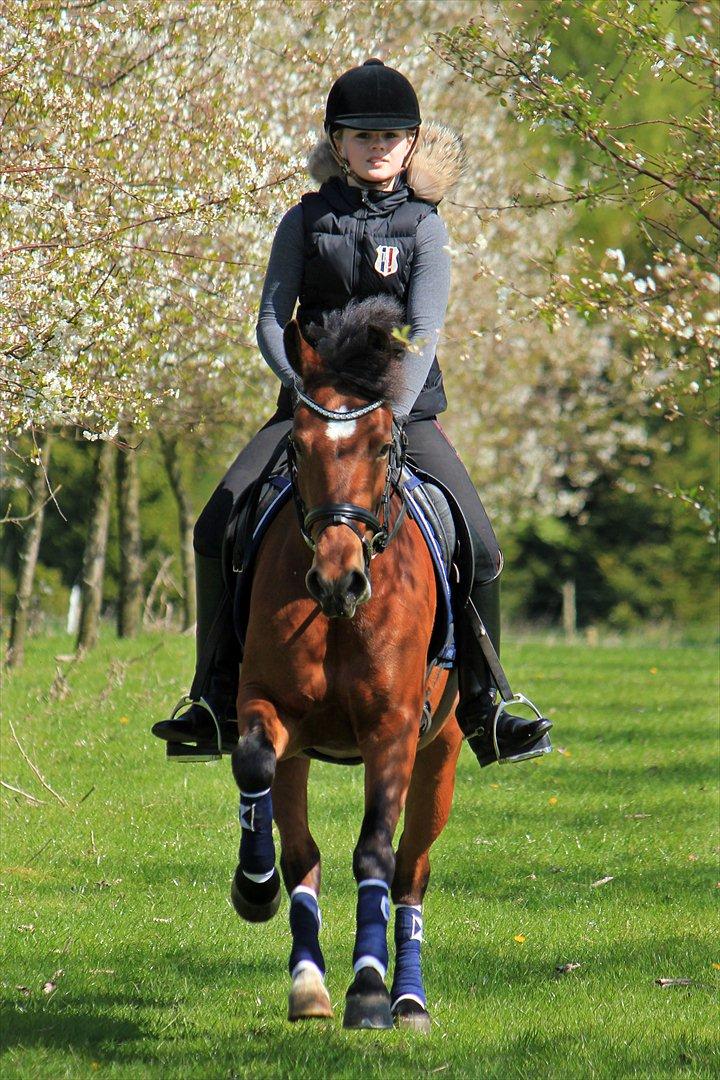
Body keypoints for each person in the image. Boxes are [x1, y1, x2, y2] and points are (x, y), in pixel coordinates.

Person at [152, 59, 552, 767]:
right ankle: (212, 698)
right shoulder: (303, 220)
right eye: (363, 135)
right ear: (338, 142)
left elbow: (421, 334)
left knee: (483, 548)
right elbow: (271, 318)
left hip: (403, 416)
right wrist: (300, 387)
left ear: (412, 142)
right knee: (215, 525)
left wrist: (391, 411)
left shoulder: (425, 229)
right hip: (308, 411)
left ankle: (490, 706)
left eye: (392, 135)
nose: (378, 146)